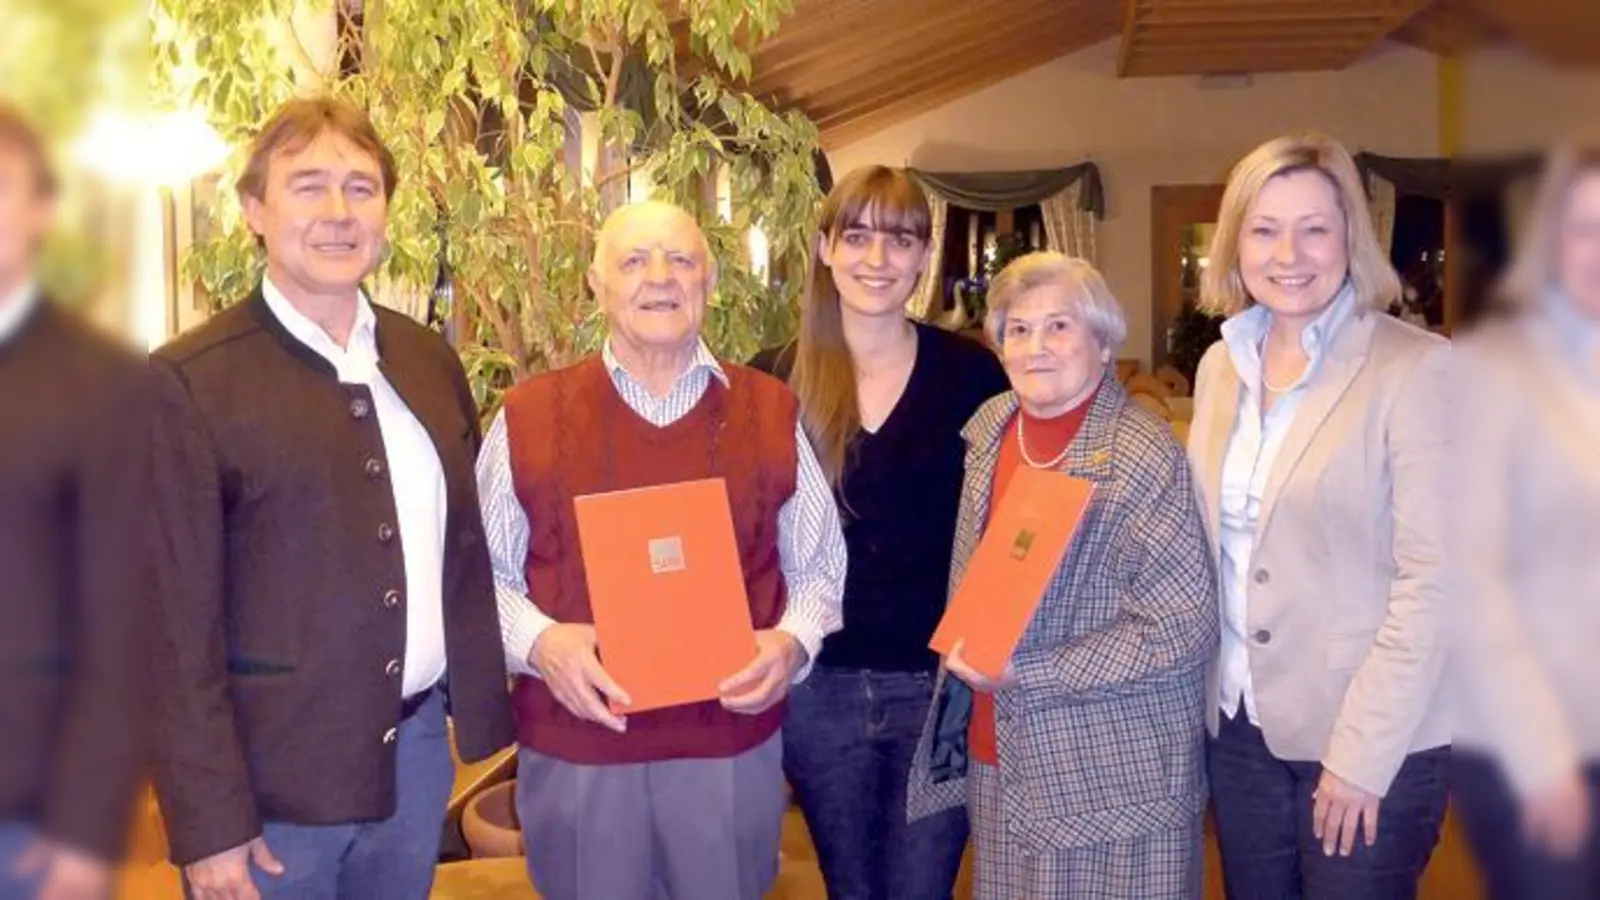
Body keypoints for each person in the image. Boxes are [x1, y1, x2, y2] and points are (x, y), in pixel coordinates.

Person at [148, 96, 514, 900]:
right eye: (307, 185)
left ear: (386, 209)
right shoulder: (188, 381)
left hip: (416, 759)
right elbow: (170, 635)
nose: (339, 212)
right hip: (272, 791)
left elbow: (463, 554)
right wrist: (210, 825)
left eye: (361, 186)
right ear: (254, 209)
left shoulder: (426, 358)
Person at [476, 199, 847, 900]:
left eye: (681, 260)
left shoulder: (769, 410)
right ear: (597, 283)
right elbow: (481, 575)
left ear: (708, 282)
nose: (659, 278)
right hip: (579, 745)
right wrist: (543, 643)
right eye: (634, 260)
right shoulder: (527, 416)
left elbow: (820, 566)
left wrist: (792, 643)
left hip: (727, 746)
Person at [1186, 132, 1450, 899]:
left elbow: (1435, 583)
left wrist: (1360, 755)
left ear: (1350, 239)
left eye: (1315, 228)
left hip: (1368, 736)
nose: (1289, 252)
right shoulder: (1220, 367)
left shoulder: (1417, 369)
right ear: (1236, 245)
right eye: (1264, 229)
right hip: (1238, 725)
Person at [905, 251, 1218, 899]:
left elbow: (1181, 628)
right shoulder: (991, 429)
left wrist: (1030, 671)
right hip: (1002, 760)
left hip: (1110, 776)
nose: (1035, 347)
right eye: (1018, 329)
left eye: (1060, 327)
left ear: (1103, 344)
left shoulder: (1140, 453)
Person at [748, 165, 1006, 900]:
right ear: (825, 247)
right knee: (852, 889)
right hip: (819, 691)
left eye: (900, 239)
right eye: (856, 236)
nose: (877, 258)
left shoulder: (972, 375)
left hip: (939, 687)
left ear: (926, 256)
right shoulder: (774, 379)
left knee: (922, 889)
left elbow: (1010, 518)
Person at [0, 100, 147, 900]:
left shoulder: (103, 386)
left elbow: (120, 627)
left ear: (41, 213)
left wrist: (87, 836)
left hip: (25, 824)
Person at [1452, 138, 1600, 899]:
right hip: (1537, 747)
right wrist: (1543, 762)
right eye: (1586, 229)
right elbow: (1472, 586)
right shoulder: (1495, 371)